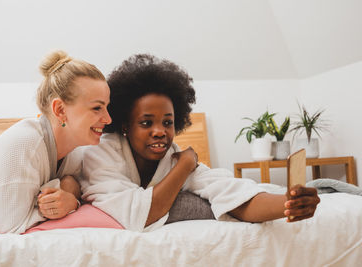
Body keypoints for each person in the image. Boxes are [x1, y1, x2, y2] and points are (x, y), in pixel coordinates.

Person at [80, 54, 320, 232]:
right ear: (125, 125)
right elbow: (139, 217)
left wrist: (287, 203)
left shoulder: (174, 156)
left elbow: (231, 194)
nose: (160, 132)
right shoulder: (101, 152)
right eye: (146, 123)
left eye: (167, 122)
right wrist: (184, 167)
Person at [0, 50, 111, 234]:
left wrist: (71, 191)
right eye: (97, 108)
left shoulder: (75, 150)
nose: (108, 119)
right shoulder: (24, 144)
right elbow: (7, 228)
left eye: (106, 107)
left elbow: (73, 182)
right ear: (60, 110)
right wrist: (68, 202)